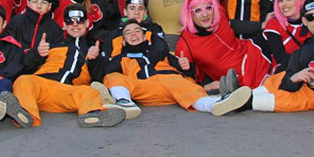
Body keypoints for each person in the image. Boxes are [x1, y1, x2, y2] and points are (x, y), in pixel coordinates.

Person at [92, 18, 252, 117]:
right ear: (123, 41)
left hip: (172, 85)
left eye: (137, 31)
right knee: (112, 77)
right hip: (144, 89)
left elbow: (188, 72)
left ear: (144, 36)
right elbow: (101, 74)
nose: (134, 34)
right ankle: (124, 103)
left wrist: (186, 67)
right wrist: (94, 59)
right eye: (128, 33)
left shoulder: (161, 54)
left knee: (185, 85)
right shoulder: (121, 58)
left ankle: (215, 104)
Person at [11, 3, 126, 128]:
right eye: (70, 21)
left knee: (90, 91)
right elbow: (26, 65)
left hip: (68, 92)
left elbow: (98, 77)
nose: (75, 24)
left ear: (87, 23)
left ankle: (92, 114)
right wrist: (36, 53)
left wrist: (94, 60)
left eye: (80, 20)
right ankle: (27, 116)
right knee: (24, 80)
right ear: (64, 25)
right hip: (42, 88)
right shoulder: (51, 47)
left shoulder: (91, 51)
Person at [175, 0, 272, 92]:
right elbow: (184, 82)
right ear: (189, 14)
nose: (205, 14)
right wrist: (189, 71)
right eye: (198, 10)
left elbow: (233, 25)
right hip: (236, 79)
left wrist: (261, 25)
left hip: (255, 53)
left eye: (208, 8)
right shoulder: (185, 43)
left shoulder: (220, 14)